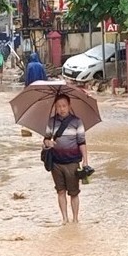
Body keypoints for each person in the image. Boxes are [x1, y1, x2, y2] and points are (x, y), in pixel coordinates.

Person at [43, 94, 89, 224]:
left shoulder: (77, 122)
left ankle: (75, 219)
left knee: (74, 192)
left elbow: (82, 142)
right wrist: (48, 143)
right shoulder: (51, 122)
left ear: (69, 106)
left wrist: (85, 160)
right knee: (60, 191)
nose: (62, 109)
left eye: (64, 106)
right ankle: (64, 218)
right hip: (56, 162)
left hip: (72, 162)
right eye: (58, 106)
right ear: (55, 108)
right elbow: (46, 139)